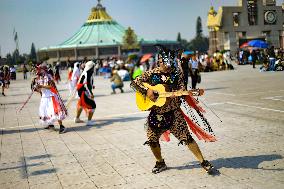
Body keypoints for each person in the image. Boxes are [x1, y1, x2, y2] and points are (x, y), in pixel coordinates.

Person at [130, 45, 216, 174]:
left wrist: (184, 92)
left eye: (170, 63)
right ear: (159, 61)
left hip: (174, 113)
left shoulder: (177, 75)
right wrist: (147, 90)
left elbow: (182, 89)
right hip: (156, 112)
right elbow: (134, 83)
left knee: (186, 137)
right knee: (152, 140)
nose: (168, 66)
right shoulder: (151, 74)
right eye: (165, 63)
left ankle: (203, 161)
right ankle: (160, 162)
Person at [33, 63, 67, 134]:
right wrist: (36, 89)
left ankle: (62, 126)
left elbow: (51, 86)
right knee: (46, 111)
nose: (37, 70)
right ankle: (51, 125)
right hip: (44, 97)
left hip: (51, 96)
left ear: (43, 69)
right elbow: (41, 89)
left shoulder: (48, 76)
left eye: (39, 69)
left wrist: (41, 86)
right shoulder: (39, 77)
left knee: (55, 111)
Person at [74, 61, 96, 126]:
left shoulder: (86, 73)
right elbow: (86, 85)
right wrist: (91, 93)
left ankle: (77, 118)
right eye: (93, 67)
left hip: (81, 91)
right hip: (84, 92)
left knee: (81, 105)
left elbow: (88, 83)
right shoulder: (87, 73)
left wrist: (92, 86)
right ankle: (89, 121)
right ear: (91, 67)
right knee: (93, 105)